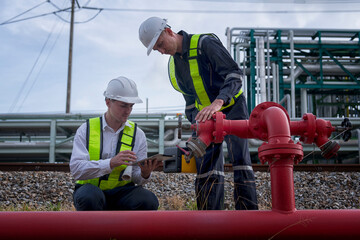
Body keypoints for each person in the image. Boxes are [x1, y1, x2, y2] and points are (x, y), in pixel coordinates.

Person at [138, 17, 258, 210]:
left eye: (160, 44)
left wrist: (219, 102)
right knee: (206, 167)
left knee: (241, 162)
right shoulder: (175, 66)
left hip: (232, 108)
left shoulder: (205, 44)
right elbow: (189, 101)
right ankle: (209, 221)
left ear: (169, 31)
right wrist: (196, 125)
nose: (161, 51)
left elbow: (234, 74)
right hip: (207, 117)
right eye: (156, 50)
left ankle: (249, 219)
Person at [70, 76, 161, 211]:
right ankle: (95, 232)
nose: (128, 110)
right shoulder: (86, 129)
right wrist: (111, 163)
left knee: (148, 200)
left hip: (122, 193)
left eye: (131, 106)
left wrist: (144, 174)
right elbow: (76, 170)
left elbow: (137, 179)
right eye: (123, 105)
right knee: (89, 198)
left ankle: (128, 232)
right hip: (90, 190)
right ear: (108, 102)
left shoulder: (138, 134)